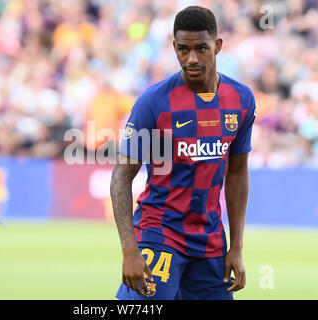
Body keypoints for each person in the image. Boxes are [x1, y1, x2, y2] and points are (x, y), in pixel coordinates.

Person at [110, 6, 256, 300]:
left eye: (201, 48)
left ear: (217, 46)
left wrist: (237, 246)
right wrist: (129, 250)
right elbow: (121, 177)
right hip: (160, 234)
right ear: (174, 47)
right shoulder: (153, 102)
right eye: (183, 49)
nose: (191, 58)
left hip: (210, 242)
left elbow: (238, 171)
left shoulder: (241, 99)